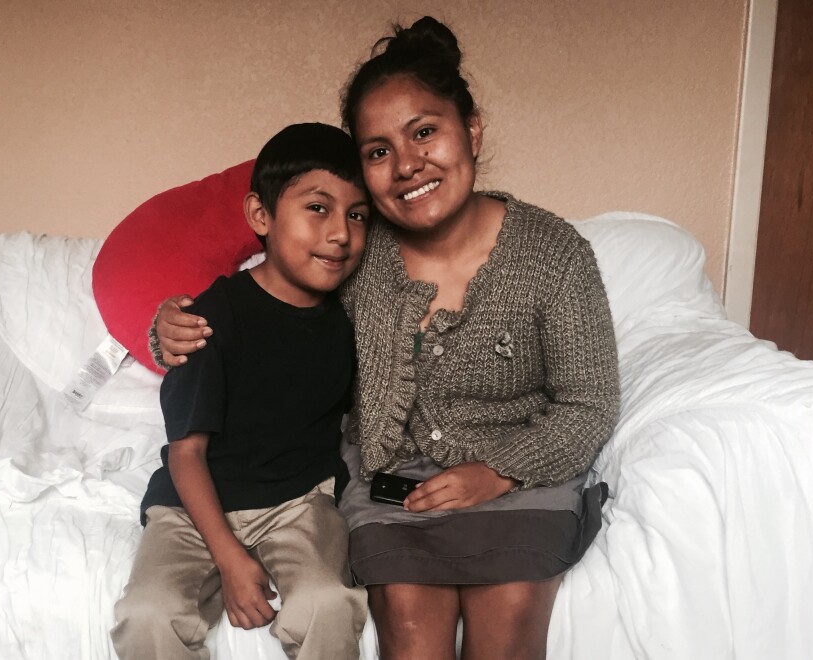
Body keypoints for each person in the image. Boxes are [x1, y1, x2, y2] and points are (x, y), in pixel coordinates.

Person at [154, 17, 620, 660]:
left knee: (509, 620)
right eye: (378, 151)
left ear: (472, 132)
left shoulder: (553, 252)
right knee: (404, 619)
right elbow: (260, 307)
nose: (406, 165)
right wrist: (171, 329)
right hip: (393, 483)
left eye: (425, 132)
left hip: (523, 473)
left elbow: (588, 403)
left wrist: (500, 472)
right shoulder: (353, 254)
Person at [111, 123, 370, 660]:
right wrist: (230, 560)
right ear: (261, 216)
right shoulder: (210, 317)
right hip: (194, 501)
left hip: (301, 500)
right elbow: (186, 452)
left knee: (327, 604)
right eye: (318, 208)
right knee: (147, 616)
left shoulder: (354, 320)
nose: (341, 232)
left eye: (357, 214)